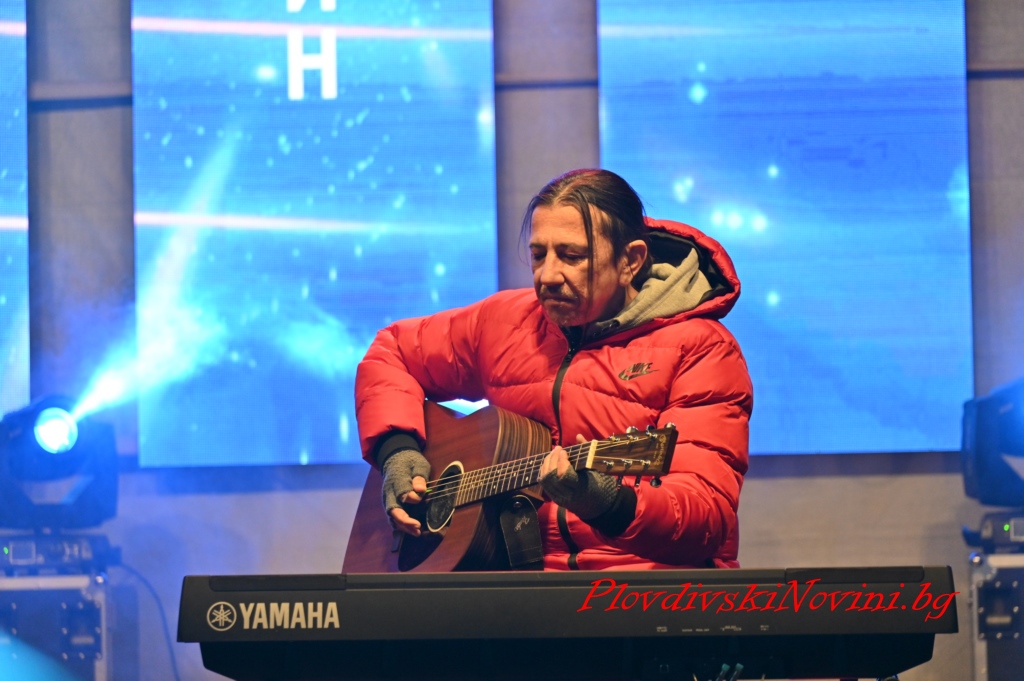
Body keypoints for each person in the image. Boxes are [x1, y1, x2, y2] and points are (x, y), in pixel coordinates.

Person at [355, 169, 752, 570]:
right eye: (538, 255)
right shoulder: (503, 322)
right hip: (517, 588)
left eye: (572, 256)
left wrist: (605, 502)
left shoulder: (702, 349)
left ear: (630, 261)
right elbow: (392, 351)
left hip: (642, 589)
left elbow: (706, 516)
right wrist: (397, 450)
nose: (547, 276)